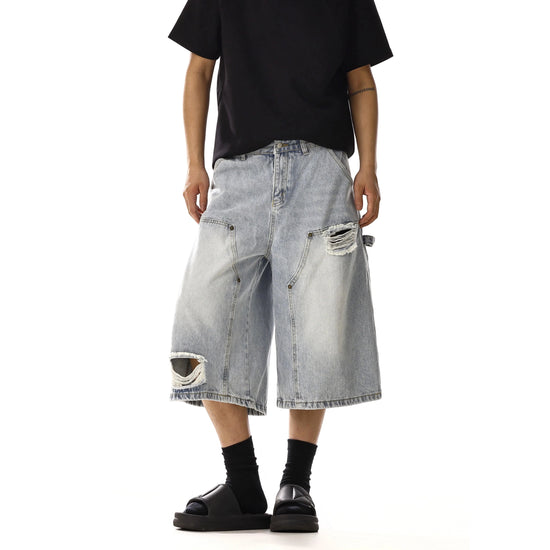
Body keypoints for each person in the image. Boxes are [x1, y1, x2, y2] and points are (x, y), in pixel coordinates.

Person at [167, 0, 393, 533]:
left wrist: (369, 165)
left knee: (315, 328)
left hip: (322, 171)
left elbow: (361, 81)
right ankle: (243, 483)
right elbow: (199, 70)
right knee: (199, 329)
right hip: (237, 174)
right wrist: (195, 164)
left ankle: (297, 481)